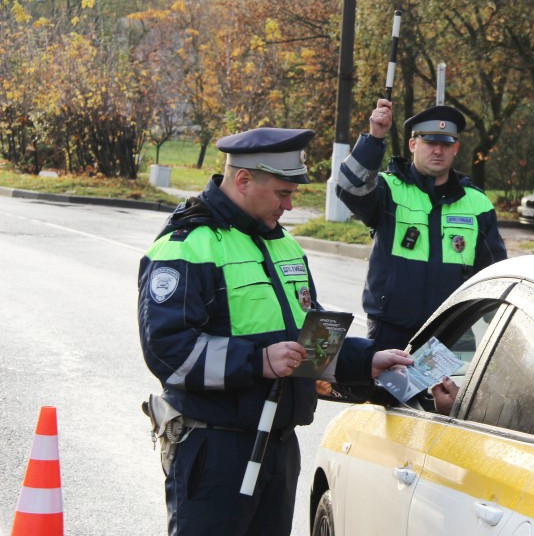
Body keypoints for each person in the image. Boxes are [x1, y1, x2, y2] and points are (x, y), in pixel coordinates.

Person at [137, 127, 412, 536]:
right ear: (244, 180)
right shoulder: (186, 245)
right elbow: (168, 352)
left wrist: (365, 359)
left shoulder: (284, 244)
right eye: (283, 193)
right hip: (215, 449)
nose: (289, 204)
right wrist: (258, 361)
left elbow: (306, 341)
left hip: (279, 447)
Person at [336, 99, 508, 351]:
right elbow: (350, 186)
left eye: (445, 144)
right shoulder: (388, 189)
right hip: (391, 333)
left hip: (452, 335)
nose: (438, 151)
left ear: (456, 148)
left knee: (450, 393)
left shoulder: (477, 202)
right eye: (430, 142)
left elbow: (494, 275)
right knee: (386, 392)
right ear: (413, 145)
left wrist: (502, 331)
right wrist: (375, 138)